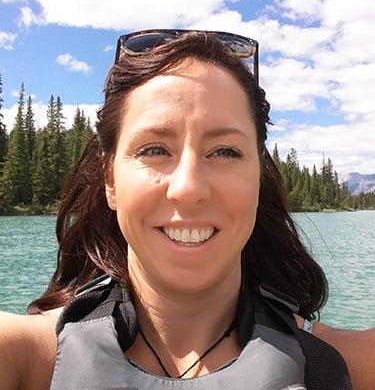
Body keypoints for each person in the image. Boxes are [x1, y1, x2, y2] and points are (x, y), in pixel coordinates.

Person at [0, 29, 372, 389]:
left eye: (225, 151)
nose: (188, 188)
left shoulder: (350, 366)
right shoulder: (25, 357)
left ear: (258, 178)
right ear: (110, 180)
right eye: (154, 150)